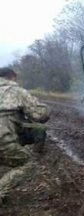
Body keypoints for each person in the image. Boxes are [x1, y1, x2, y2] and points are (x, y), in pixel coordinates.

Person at [0, 68, 49, 200]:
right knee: (28, 163)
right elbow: (40, 116)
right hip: (3, 141)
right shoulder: (17, 92)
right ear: (13, 77)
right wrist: (45, 108)